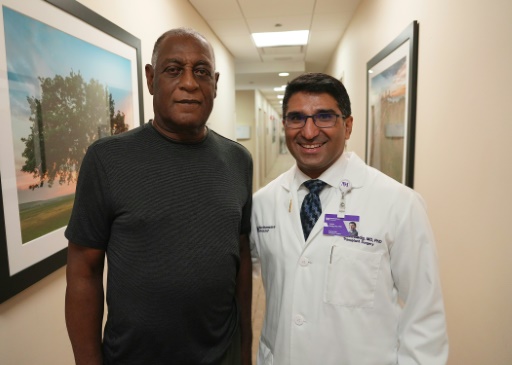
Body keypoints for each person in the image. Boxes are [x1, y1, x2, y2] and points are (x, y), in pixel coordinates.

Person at [65, 27, 253, 365]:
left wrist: (245, 351)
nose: (189, 83)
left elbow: (240, 260)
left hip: (221, 354)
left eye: (201, 71)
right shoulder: (107, 159)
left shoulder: (238, 160)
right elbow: (82, 271)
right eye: (173, 69)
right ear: (151, 79)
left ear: (215, 82)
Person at [250, 73, 448, 364]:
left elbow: (425, 313)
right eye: (296, 118)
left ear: (348, 125)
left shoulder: (398, 203)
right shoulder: (263, 203)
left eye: (324, 117)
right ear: (284, 126)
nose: (308, 131)